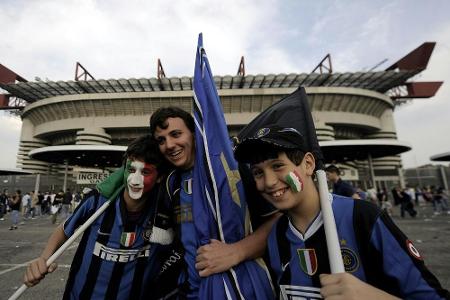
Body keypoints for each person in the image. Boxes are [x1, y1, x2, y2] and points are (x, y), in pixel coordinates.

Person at [233, 124, 450, 299]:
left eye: (278, 166)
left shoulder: (362, 218)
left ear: (308, 164)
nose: (268, 182)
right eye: (258, 173)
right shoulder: (275, 236)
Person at [23, 135, 175, 299]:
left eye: (145, 172)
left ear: (160, 177)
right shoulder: (97, 202)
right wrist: (44, 258)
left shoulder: (164, 213)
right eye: (131, 170)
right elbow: (64, 230)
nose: (135, 180)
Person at [150, 106, 279, 298]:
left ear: (195, 133)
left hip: (242, 290)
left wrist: (236, 252)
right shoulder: (171, 182)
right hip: (192, 293)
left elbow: (278, 220)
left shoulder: (232, 166)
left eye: (176, 134)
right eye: (161, 140)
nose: (169, 145)